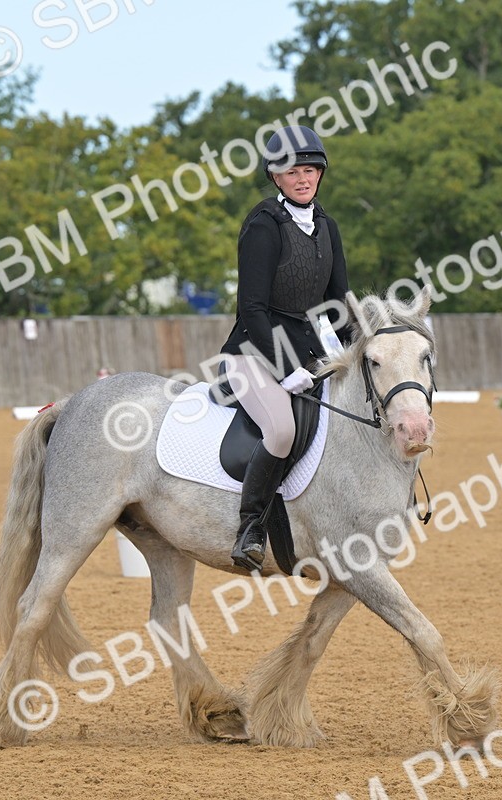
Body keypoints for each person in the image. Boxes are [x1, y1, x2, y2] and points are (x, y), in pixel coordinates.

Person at [219, 125, 353, 571]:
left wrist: (363, 352)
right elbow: (252, 309)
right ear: (276, 178)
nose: (303, 178)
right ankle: (250, 527)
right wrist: (285, 365)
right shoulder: (263, 226)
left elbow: (336, 304)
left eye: (310, 170)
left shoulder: (328, 227)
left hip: (311, 351)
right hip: (252, 352)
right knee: (281, 429)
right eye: (292, 171)